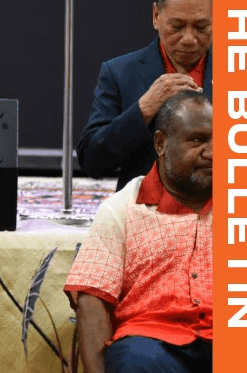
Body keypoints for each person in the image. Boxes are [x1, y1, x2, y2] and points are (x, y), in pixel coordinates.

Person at [65, 90, 212, 373]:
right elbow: (91, 298)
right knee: (137, 361)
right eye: (197, 140)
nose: (213, 152)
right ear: (161, 143)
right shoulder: (122, 208)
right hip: (152, 343)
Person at [76, 0, 212, 189]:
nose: (189, 38)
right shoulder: (120, 73)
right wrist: (144, 108)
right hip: (145, 211)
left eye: (201, 27)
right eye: (177, 26)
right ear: (156, 16)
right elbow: (92, 162)